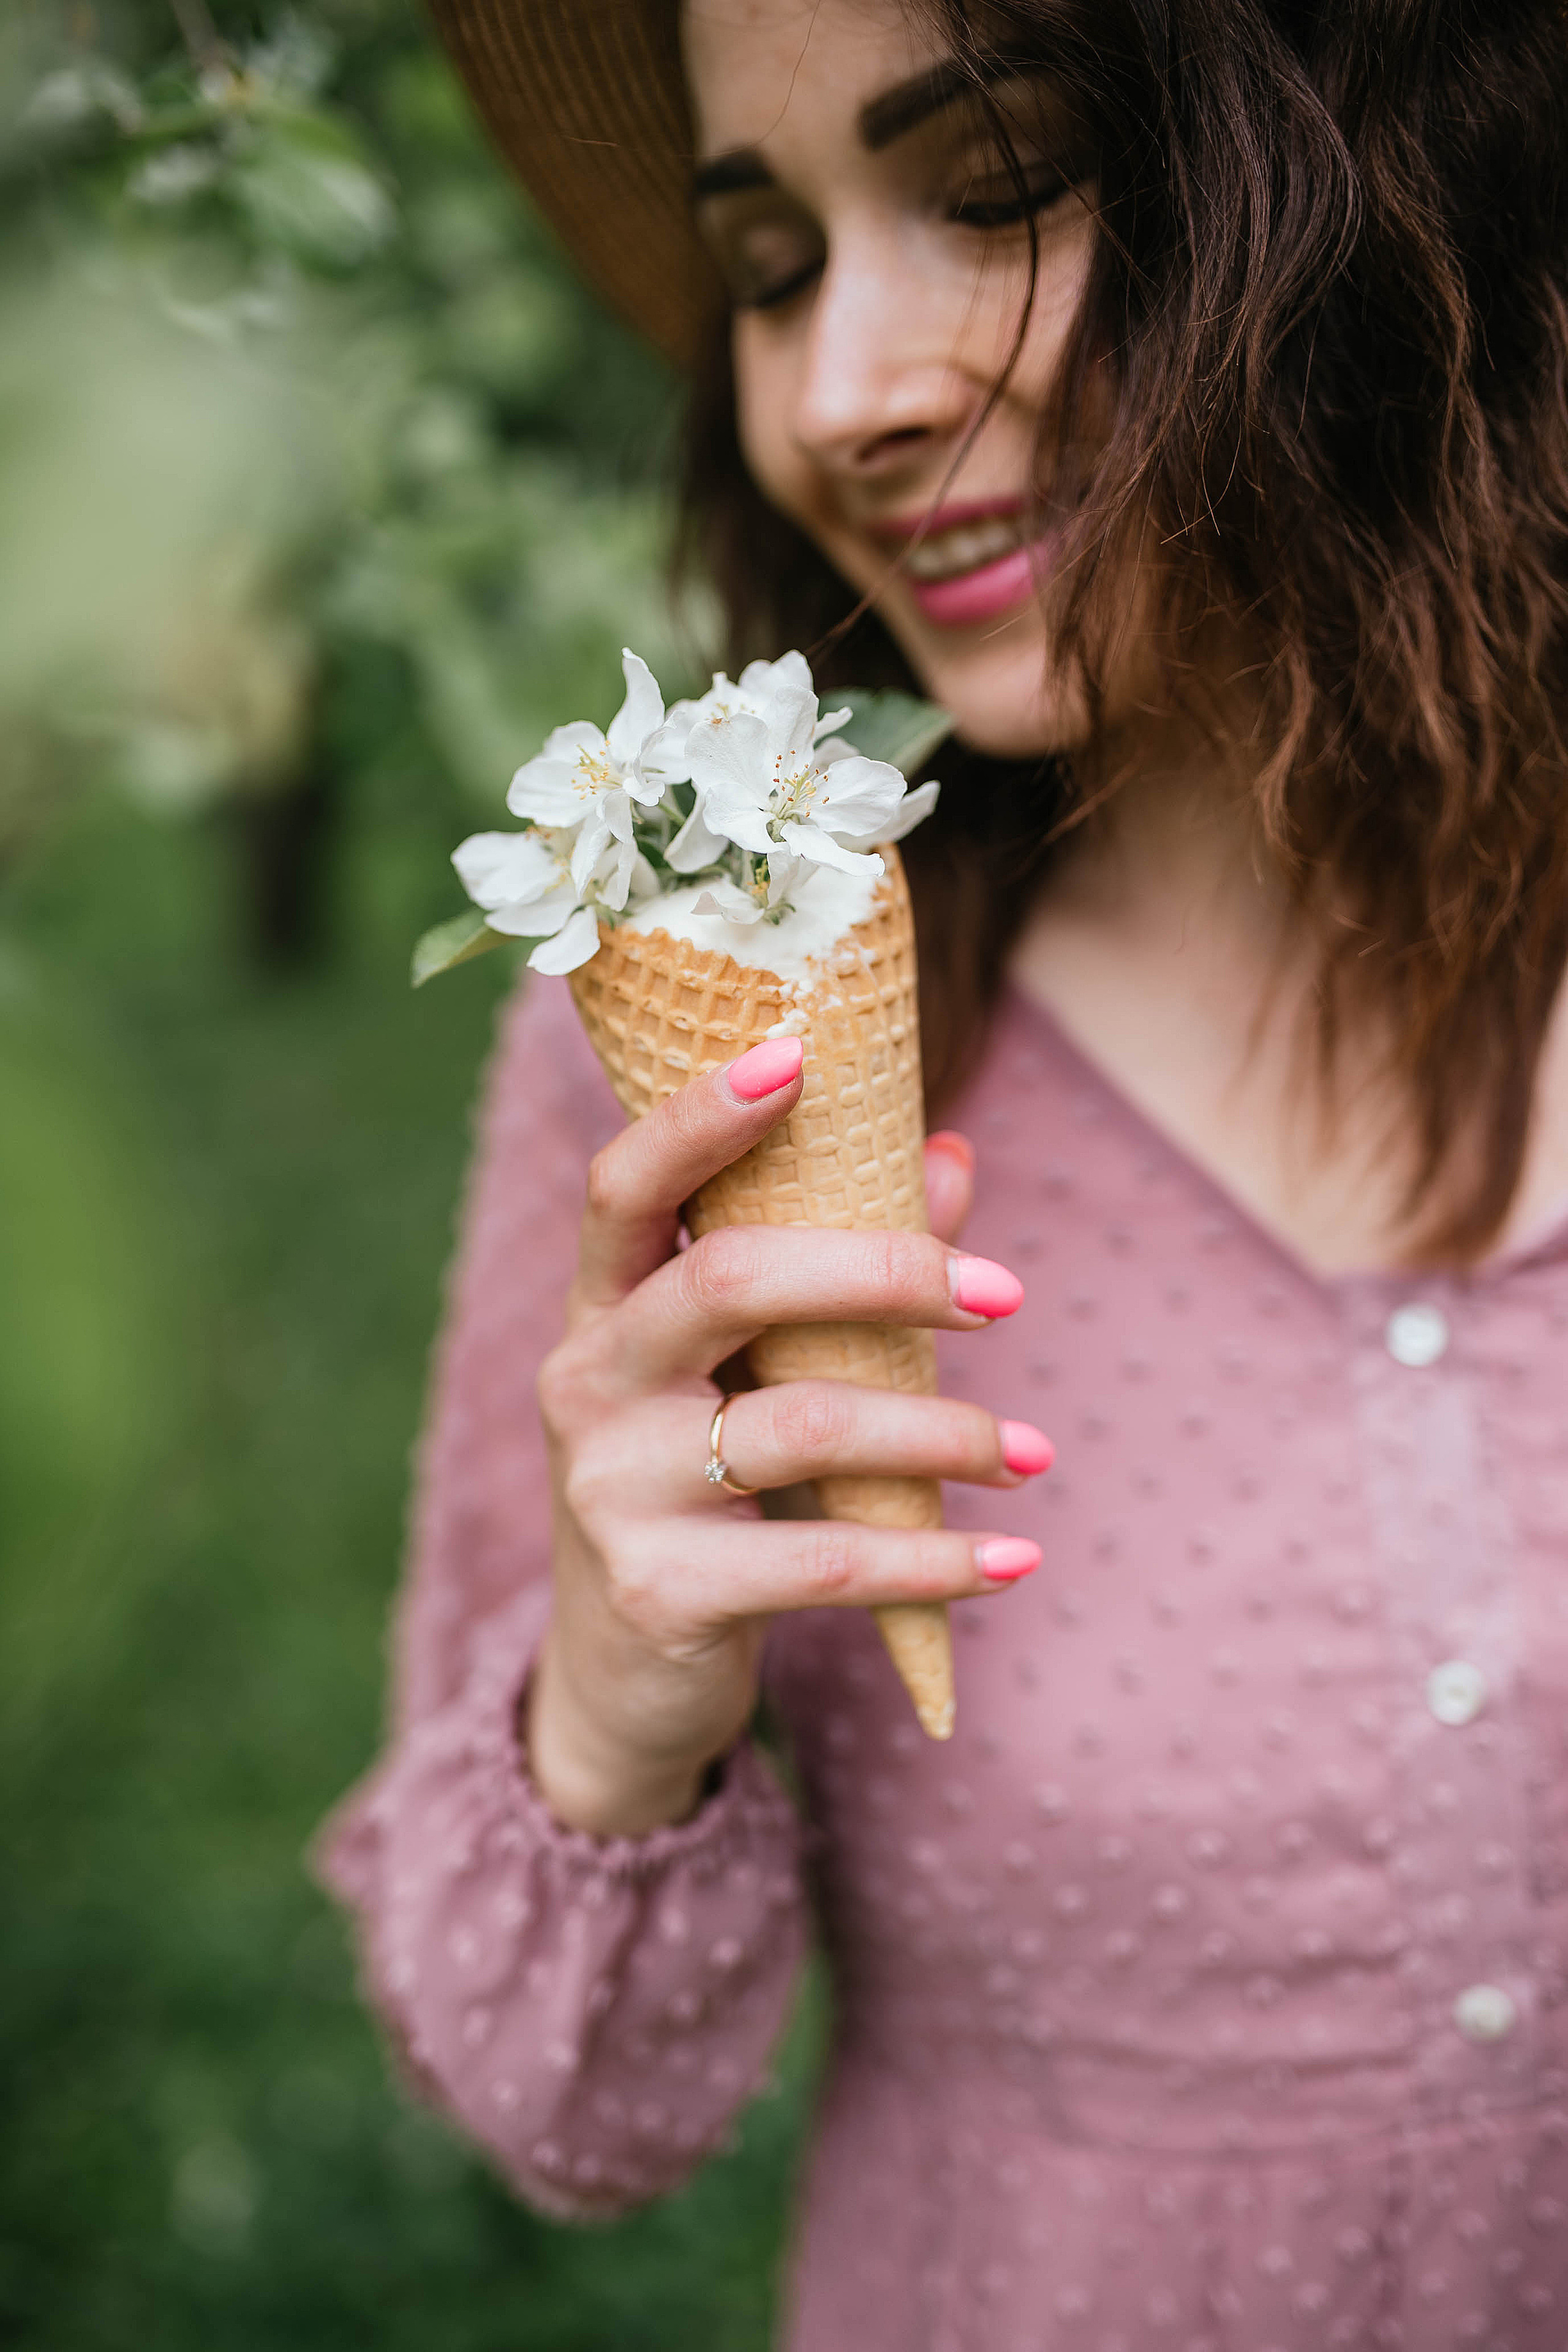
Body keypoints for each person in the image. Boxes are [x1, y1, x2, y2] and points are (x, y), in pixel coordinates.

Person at [317, 1, 1568, 2343]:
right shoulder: (683, 1085)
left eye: (993, 189)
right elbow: (556, 2108)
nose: (835, 396)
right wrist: (614, 1712)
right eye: (771, 265)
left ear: (1381, 177)